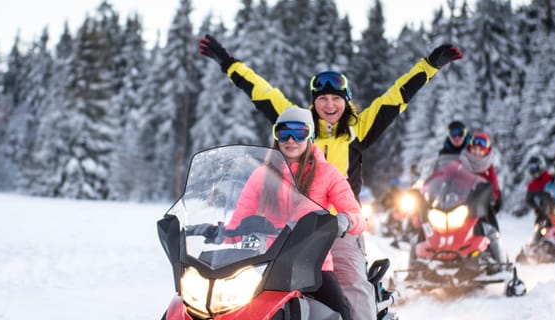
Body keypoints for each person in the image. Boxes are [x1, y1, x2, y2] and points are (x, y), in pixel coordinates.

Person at [199, 34, 462, 320]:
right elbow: (260, 91)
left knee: (351, 286)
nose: (329, 104)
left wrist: (429, 65)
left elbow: (397, 96)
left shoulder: (358, 130)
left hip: (338, 229)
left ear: (346, 102)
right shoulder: (297, 125)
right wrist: (227, 62)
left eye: (336, 98)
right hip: (284, 231)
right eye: (322, 98)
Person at [227, 107, 365, 320]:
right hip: (267, 265)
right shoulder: (262, 174)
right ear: (276, 136)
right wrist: (218, 233)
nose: (291, 140)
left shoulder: (327, 173)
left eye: (298, 133)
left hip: (313, 265)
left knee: (341, 312)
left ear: (309, 135)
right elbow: (239, 219)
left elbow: (355, 213)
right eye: (283, 133)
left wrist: (344, 220)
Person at [457, 132, 503, 263]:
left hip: (481, 209)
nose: (477, 152)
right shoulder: (461, 164)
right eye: (475, 149)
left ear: (486, 151)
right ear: (470, 148)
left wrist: (488, 197)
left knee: (491, 231)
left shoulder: (489, 169)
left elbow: (494, 190)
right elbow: (453, 180)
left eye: (481, 149)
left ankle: (500, 263)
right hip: (460, 207)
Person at [525, 156, 554, 241]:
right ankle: (536, 246)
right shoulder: (532, 185)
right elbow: (528, 200)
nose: (533, 171)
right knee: (539, 228)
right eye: (531, 168)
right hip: (543, 213)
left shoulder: (551, 178)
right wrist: (537, 207)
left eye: (535, 167)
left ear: (541, 166)